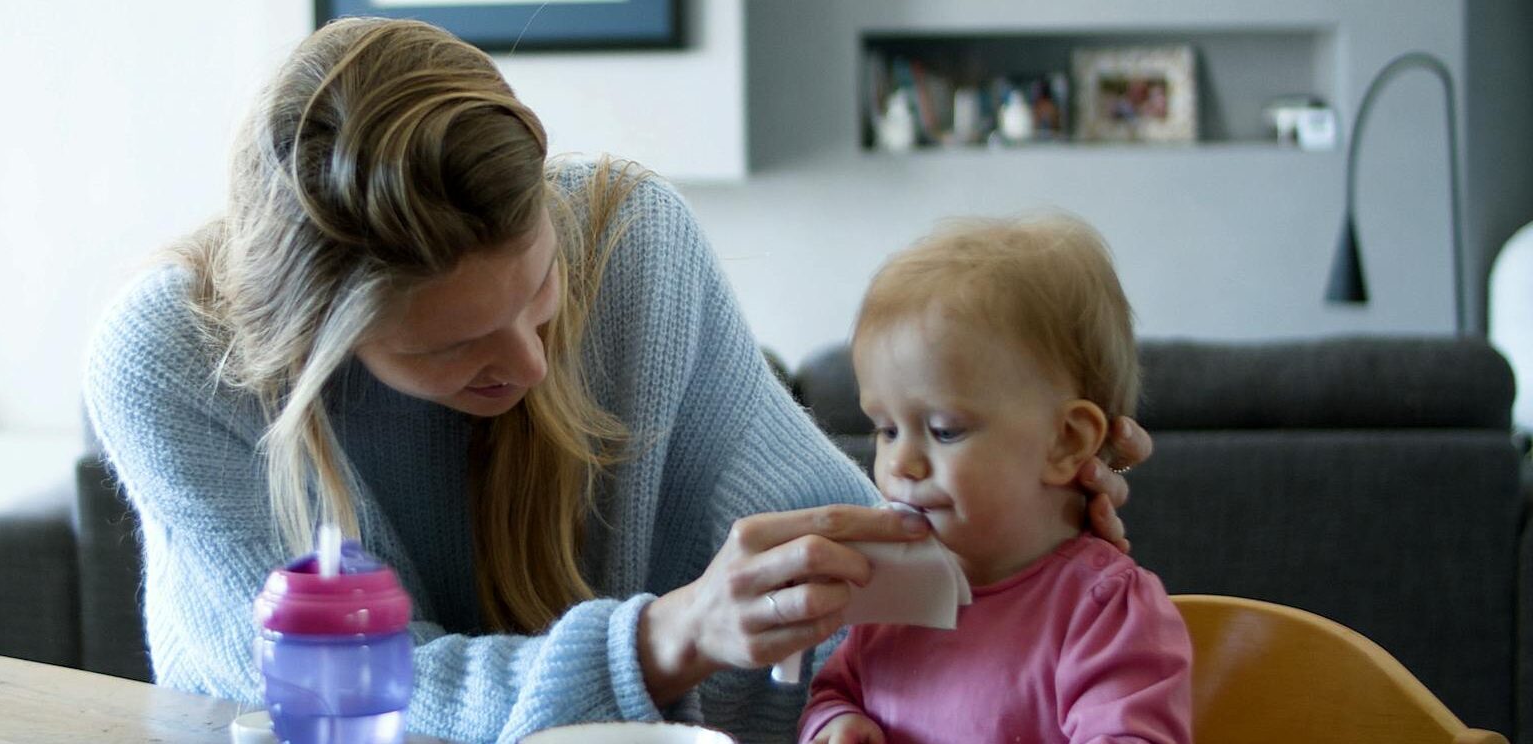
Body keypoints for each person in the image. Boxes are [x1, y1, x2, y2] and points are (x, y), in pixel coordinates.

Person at [84, 17, 1150, 743]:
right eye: (450, 347)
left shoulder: (626, 244)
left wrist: (1019, 537)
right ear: (313, 330)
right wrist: (661, 640)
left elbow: (851, 604)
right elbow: (363, 709)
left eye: (538, 292)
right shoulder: (173, 363)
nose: (531, 362)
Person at [799, 215, 1192, 744]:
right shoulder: (894, 595)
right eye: (886, 430)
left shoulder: (1103, 612)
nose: (901, 465)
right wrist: (837, 724)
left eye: (944, 430)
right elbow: (836, 689)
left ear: (1067, 442)